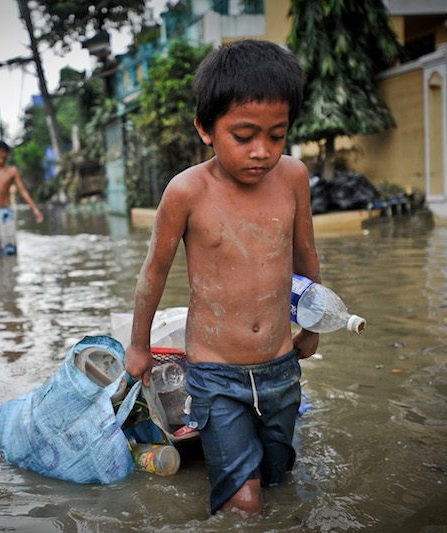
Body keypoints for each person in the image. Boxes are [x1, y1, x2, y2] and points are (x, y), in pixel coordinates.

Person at [124, 40, 321, 517]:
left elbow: (305, 255)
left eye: (277, 135)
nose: (262, 151)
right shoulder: (187, 192)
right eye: (245, 135)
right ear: (205, 129)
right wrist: (138, 346)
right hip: (214, 374)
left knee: (279, 481)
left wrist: (312, 325)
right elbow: (153, 272)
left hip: (279, 367)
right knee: (246, 504)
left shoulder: (293, 177)